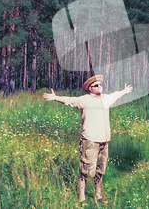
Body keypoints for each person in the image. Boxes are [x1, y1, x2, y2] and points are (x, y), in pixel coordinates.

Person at [43, 74, 133, 204]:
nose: (100, 87)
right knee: (85, 170)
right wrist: (56, 97)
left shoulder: (105, 99)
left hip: (104, 140)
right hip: (90, 140)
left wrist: (124, 91)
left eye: (100, 85)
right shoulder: (84, 100)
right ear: (90, 88)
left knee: (100, 170)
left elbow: (115, 95)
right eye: (96, 85)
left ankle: (98, 196)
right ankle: (82, 198)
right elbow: (70, 100)